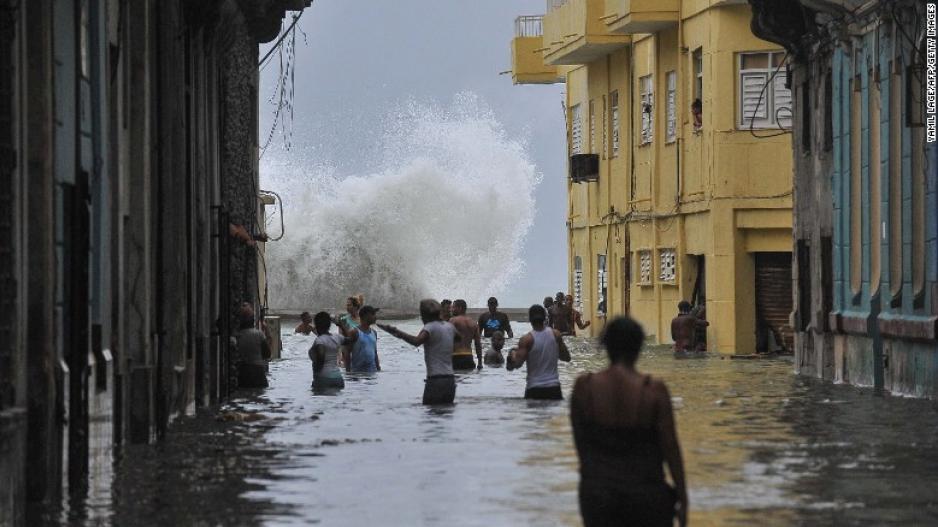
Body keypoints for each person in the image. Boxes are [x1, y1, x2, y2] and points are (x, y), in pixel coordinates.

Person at [570, 316, 687, 527]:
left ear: (606, 345)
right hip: (646, 494)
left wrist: (594, 486)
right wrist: (683, 498)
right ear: (639, 346)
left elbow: (582, 447)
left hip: (599, 495)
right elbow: (671, 448)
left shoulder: (584, 388)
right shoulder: (654, 391)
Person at [379, 299, 460, 405]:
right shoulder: (449, 326)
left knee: (431, 415)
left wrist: (397, 332)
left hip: (435, 379)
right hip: (450, 380)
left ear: (425, 315)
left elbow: (416, 341)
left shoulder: (429, 327)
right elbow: (459, 338)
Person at [506, 304, 570, 400]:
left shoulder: (526, 340)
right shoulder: (556, 334)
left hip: (534, 388)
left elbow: (516, 365)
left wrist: (512, 354)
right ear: (545, 318)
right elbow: (566, 357)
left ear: (530, 319)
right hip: (554, 388)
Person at [236, 305, 271, 388]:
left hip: (242, 372)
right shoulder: (259, 334)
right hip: (258, 371)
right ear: (252, 320)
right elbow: (267, 354)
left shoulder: (237, 336)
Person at [309, 312, 345, 392]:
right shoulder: (337, 337)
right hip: (338, 378)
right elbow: (350, 339)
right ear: (329, 325)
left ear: (316, 325)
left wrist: (317, 373)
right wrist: (340, 325)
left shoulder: (319, 340)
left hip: (323, 379)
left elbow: (321, 356)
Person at [340, 305, 381, 373]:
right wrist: (348, 372)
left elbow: (375, 353)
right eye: (373, 314)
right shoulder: (354, 332)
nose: (375, 317)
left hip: (372, 372)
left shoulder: (374, 332)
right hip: (357, 373)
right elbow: (346, 353)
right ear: (366, 316)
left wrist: (378, 369)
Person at [449, 299, 483, 370]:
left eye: (453, 307)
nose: (451, 309)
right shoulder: (473, 323)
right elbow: (478, 344)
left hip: (456, 357)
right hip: (469, 357)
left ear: (460, 308)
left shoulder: (453, 320)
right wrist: (480, 362)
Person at [336, 295, 363, 368]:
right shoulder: (343, 320)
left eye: (349, 305)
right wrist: (339, 357)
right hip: (347, 353)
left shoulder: (363, 320)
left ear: (356, 306)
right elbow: (340, 339)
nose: (347, 307)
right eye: (347, 305)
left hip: (361, 353)